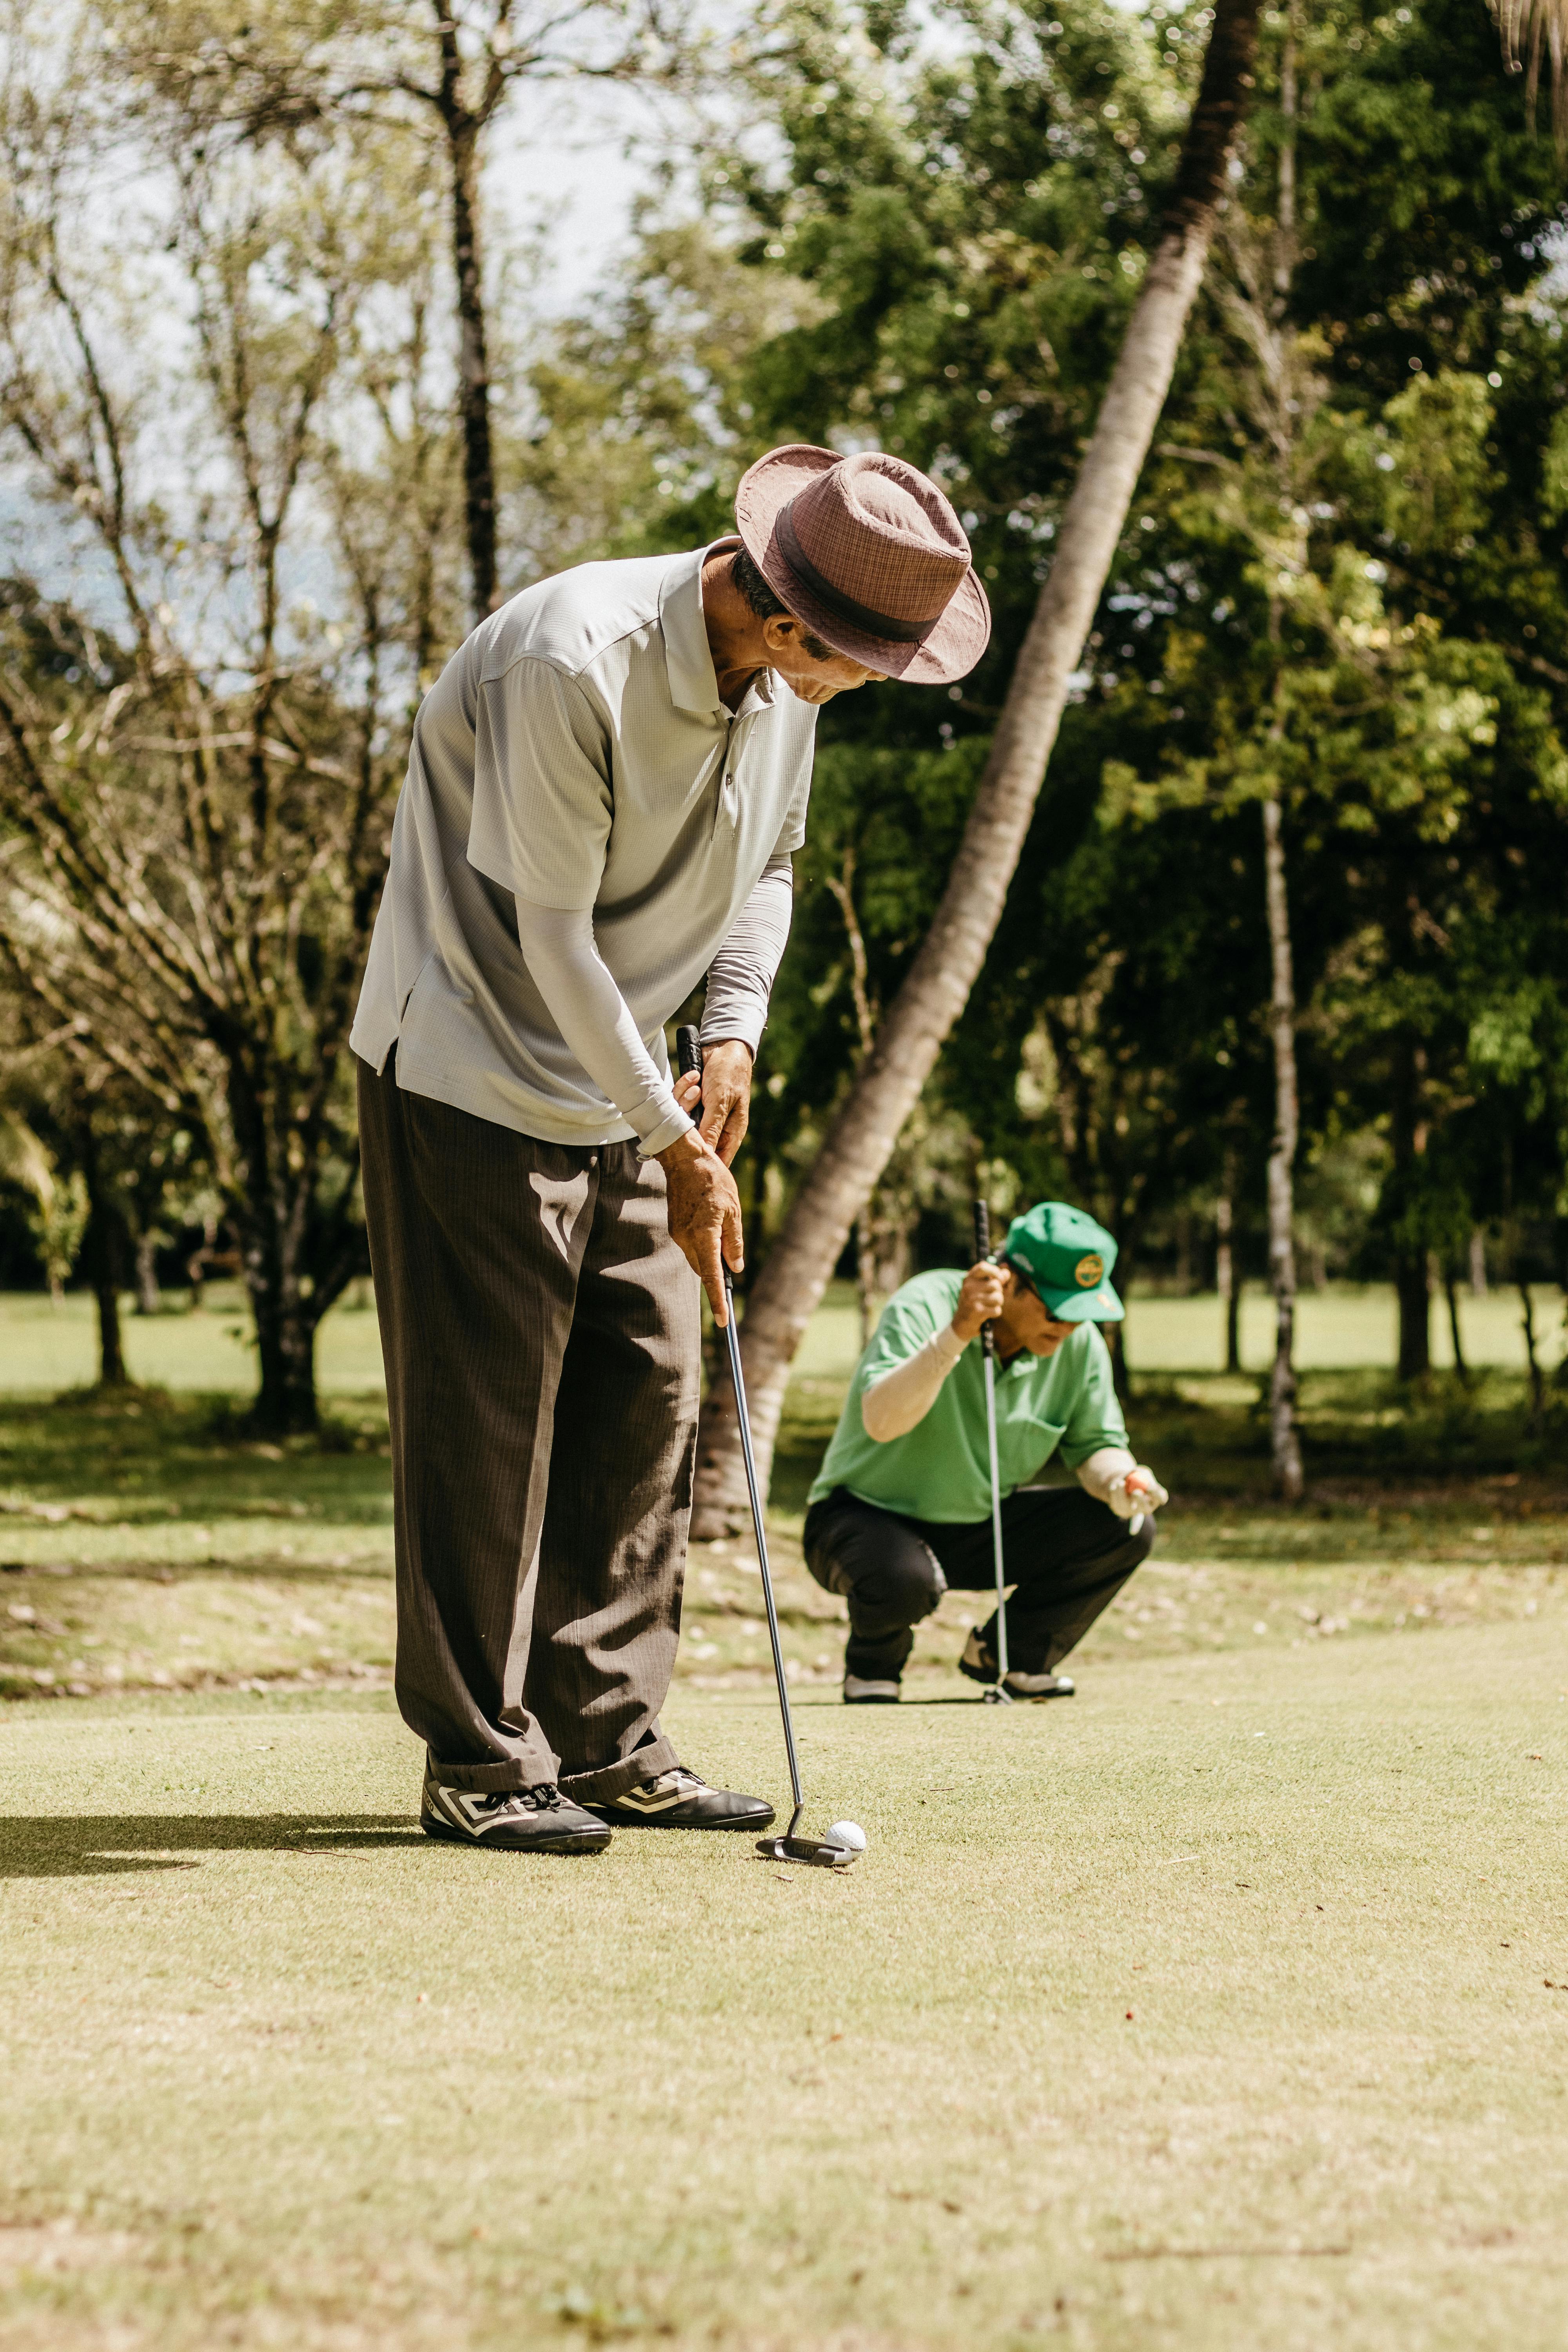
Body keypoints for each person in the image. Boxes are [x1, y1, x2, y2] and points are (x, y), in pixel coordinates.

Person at [349, 444, 992, 1852]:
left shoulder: (782, 683)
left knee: (644, 1399)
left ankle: (605, 1739)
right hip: (469, 1068)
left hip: (628, 1081)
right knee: (487, 1430)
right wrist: (674, 1140)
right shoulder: (572, 660)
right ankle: (474, 1755)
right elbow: (554, 939)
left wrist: (730, 1036)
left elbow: (764, 867)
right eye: (863, 667)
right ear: (781, 619)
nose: (869, 688)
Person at [804, 1201, 1169, 1703]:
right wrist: (958, 1333)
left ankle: (1009, 1655)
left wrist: (1122, 1481)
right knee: (902, 1577)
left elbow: (1097, 1444)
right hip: (861, 1517)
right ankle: (872, 1668)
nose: (1066, 1327)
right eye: (1056, 1309)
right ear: (1005, 1279)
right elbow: (882, 1422)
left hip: (978, 1524)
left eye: (1081, 1312)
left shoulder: (1079, 1347)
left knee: (1125, 1528)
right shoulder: (926, 1302)